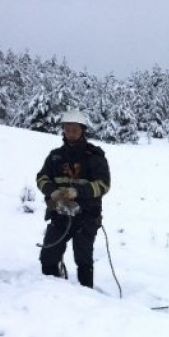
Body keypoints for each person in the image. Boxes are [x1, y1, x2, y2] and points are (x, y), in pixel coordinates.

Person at [36, 110, 110, 288]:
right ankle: (53, 292)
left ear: (82, 131)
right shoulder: (55, 156)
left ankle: (87, 297)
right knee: (48, 256)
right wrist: (52, 191)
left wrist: (77, 192)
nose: (70, 133)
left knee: (83, 259)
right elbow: (41, 178)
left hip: (86, 216)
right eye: (67, 129)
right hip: (60, 213)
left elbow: (103, 184)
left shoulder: (95, 156)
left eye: (75, 130)